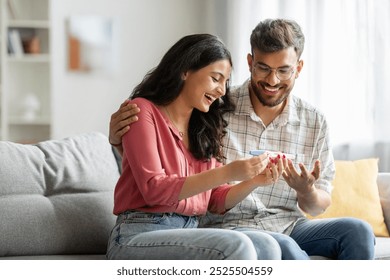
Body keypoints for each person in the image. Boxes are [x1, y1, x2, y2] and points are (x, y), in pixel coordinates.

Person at [109, 19, 376, 260]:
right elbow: (154, 181)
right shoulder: (212, 108)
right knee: (280, 248)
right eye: (263, 68)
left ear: (298, 68)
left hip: (273, 223)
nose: (273, 80)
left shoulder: (205, 117)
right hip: (208, 226)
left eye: (284, 70)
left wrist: (290, 187)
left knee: (359, 231)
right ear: (250, 63)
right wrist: (118, 141)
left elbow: (213, 198)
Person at [106, 33, 288, 260]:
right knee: (237, 245)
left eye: (226, 82)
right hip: (139, 232)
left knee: (266, 245)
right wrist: (228, 172)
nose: (222, 90)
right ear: (185, 70)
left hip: (190, 231)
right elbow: (154, 189)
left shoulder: (203, 128)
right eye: (216, 78)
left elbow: (215, 200)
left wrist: (254, 181)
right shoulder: (142, 111)